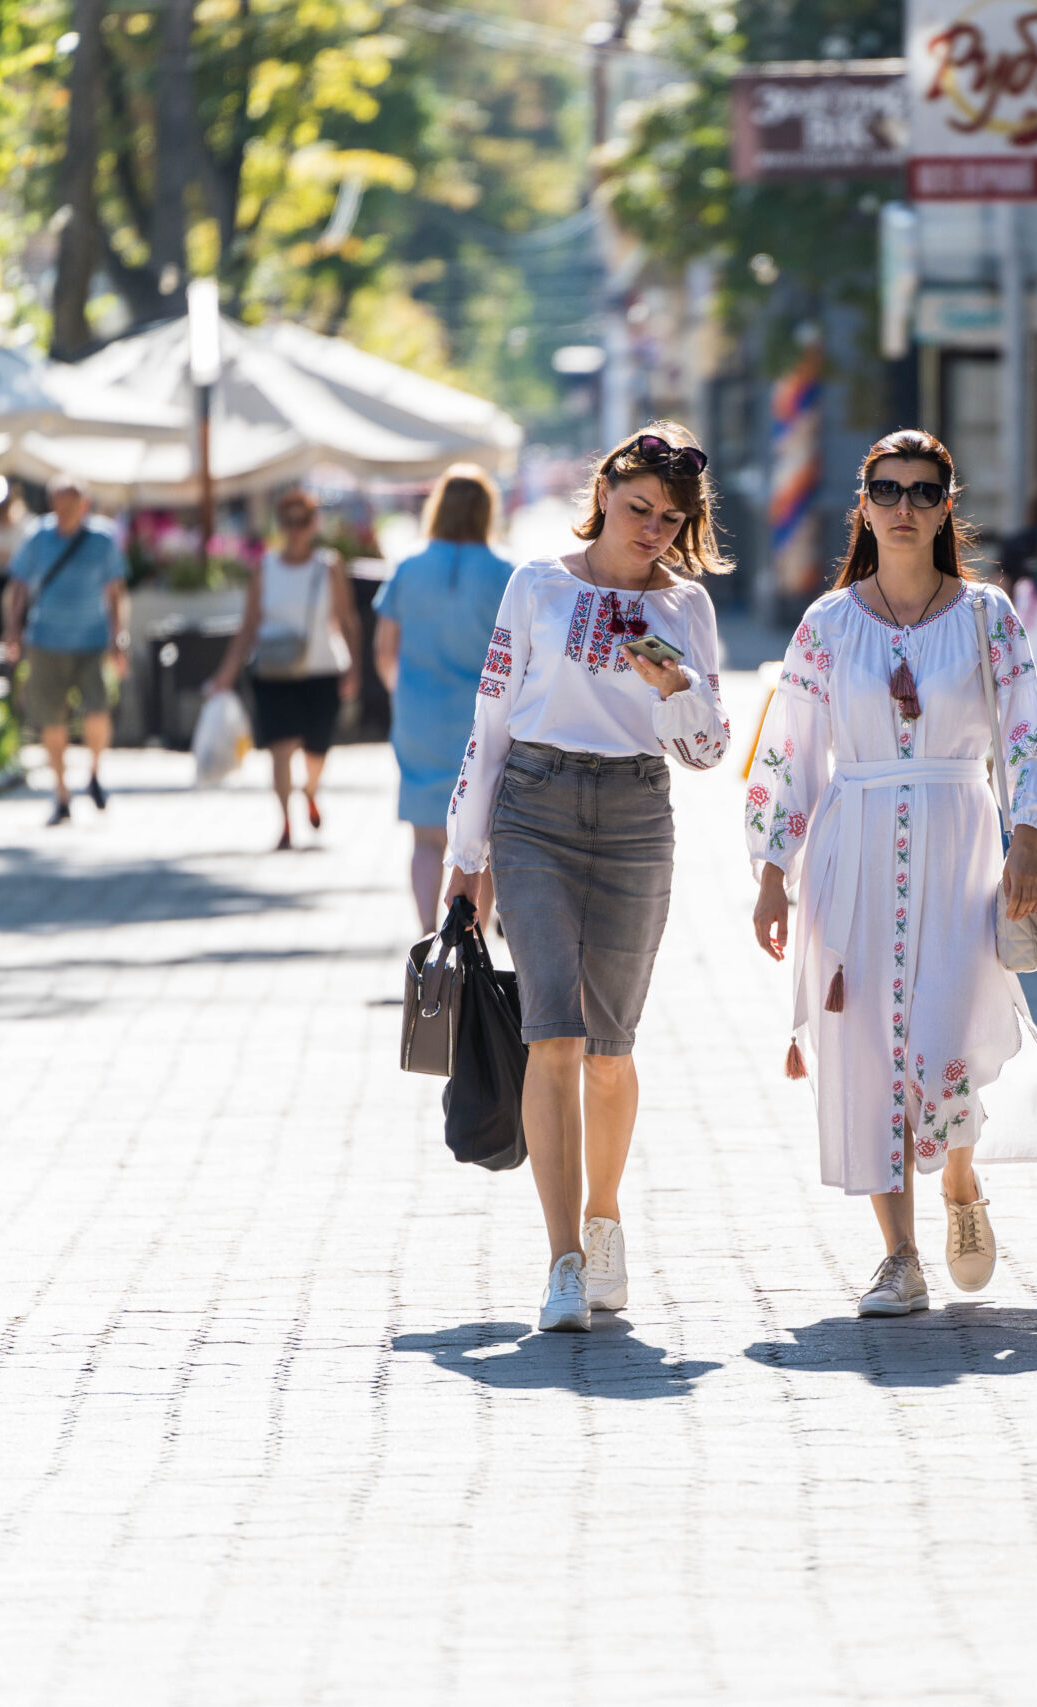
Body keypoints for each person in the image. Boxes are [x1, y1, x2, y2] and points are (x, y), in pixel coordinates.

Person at [747, 429, 1037, 1319]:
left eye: (923, 492)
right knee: (867, 1050)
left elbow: (1033, 735)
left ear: (946, 506)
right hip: (849, 850)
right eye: (886, 491)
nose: (904, 508)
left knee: (942, 1039)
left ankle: (960, 1184)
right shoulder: (825, 625)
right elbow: (788, 751)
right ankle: (899, 1257)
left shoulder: (986, 616)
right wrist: (773, 867)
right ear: (863, 504)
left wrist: (1026, 841)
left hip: (961, 844)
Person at [443, 423, 732, 1333]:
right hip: (533, 804)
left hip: (638, 810)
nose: (651, 528)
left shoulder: (685, 609)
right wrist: (466, 860)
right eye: (639, 507)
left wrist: (675, 683)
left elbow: (708, 748)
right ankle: (563, 1260)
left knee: (611, 1051)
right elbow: (490, 719)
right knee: (552, 1035)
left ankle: (605, 1218)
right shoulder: (536, 586)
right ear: (604, 491)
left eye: (670, 519)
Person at [372, 464, 513, 929]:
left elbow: (384, 652)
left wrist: (407, 692)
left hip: (419, 715)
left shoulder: (409, 568)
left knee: (427, 839)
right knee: (480, 842)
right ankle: (474, 945)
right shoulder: (505, 573)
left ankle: (427, 936)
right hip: (484, 722)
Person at [207, 488, 363, 851]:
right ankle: (285, 824)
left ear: (313, 524)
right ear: (280, 525)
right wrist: (226, 674)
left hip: (321, 668)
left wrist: (354, 668)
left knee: (317, 749)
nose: (295, 529)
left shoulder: (328, 566)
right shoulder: (265, 568)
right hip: (273, 671)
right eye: (288, 522)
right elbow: (248, 625)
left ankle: (309, 790)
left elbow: (347, 619)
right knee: (281, 746)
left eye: (302, 521)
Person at [3, 477, 127, 827]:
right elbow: (18, 586)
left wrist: (119, 640)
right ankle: (61, 794)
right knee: (51, 719)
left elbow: (116, 592)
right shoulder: (37, 537)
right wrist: (13, 630)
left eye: (70, 503)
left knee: (97, 710)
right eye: (58, 502)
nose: (64, 510)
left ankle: (94, 773)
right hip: (46, 640)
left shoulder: (102, 540)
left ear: (83, 505)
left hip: (91, 640)